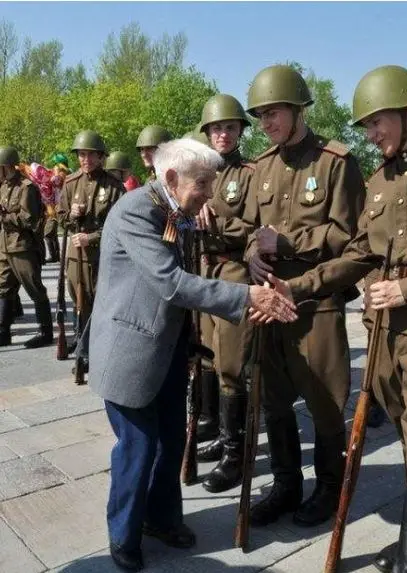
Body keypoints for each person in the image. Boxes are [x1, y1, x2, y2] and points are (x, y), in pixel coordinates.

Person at [268, 64, 407, 571]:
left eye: (377, 123)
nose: (371, 135)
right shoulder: (381, 179)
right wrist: (298, 286)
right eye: (364, 126)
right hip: (383, 328)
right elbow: (360, 253)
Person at [87, 137, 297, 572]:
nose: (209, 193)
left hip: (163, 348)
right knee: (138, 446)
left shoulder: (173, 212)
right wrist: (246, 298)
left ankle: (161, 519)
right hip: (129, 350)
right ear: (170, 178)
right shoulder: (135, 212)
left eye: (212, 182)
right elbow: (172, 283)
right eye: (202, 183)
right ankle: (123, 534)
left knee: (170, 440)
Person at [243, 64, 365, 528]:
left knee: (325, 404)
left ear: (297, 109)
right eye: (260, 116)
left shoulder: (336, 162)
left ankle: (329, 490)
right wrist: (254, 252)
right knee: (274, 402)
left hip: (317, 306)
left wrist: (288, 241)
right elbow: (256, 229)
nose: (266, 123)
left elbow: (352, 238)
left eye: (273, 113)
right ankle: (285, 485)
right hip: (270, 302)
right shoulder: (262, 167)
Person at [192, 94, 257, 494]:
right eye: (216, 128)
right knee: (210, 357)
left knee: (233, 364)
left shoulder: (250, 172)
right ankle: (220, 431)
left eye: (230, 127)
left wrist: (215, 223)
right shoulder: (201, 172)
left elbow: (255, 225)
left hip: (233, 271)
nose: (222, 134)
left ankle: (236, 453)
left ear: (239, 132)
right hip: (204, 269)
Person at [56, 130, 126, 361]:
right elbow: (60, 217)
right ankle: (83, 348)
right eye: (81, 155)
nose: (85, 160)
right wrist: (70, 215)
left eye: (91, 155)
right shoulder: (70, 183)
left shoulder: (114, 186)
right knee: (80, 304)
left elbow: (120, 226)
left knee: (102, 304)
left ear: (101, 157)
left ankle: (100, 349)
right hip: (76, 257)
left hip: (102, 257)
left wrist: (92, 237)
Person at [0, 146, 54, 348]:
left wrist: (5, 216)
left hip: (23, 247)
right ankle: (3, 331)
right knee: (3, 288)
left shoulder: (26, 187)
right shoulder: (4, 186)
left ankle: (45, 332)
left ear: (7, 167)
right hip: (6, 245)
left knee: (34, 288)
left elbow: (28, 218)